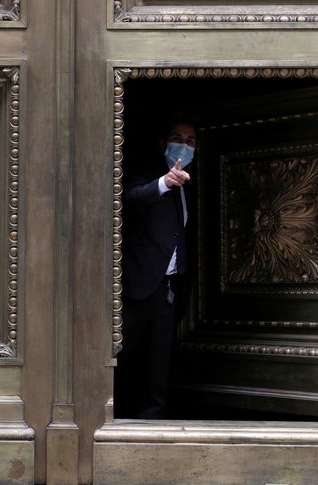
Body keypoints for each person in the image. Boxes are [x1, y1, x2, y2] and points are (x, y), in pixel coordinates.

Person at [115, 121, 198, 419]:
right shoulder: (148, 171)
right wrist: (165, 182)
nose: (184, 145)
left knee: (159, 360)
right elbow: (132, 197)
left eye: (190, 141)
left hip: (169, 288)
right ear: (163, 141)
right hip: (138, 284)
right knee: (119, 354)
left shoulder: (191, 184)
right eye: (177, 138)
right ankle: (102, 414)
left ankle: (152, 419)